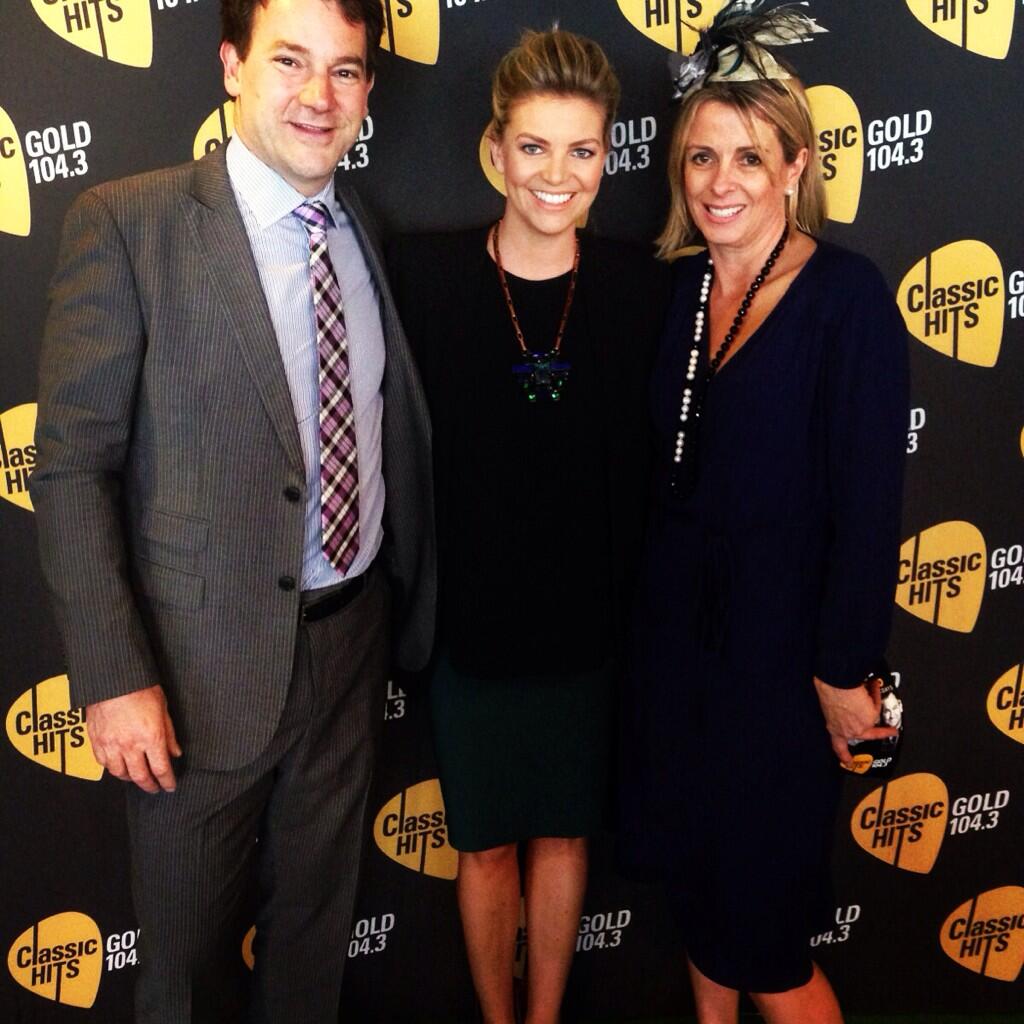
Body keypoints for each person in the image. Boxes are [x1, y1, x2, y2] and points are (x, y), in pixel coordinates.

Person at [30, 0, 434, 1020]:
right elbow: (72, 465)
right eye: (290, 61)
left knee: (312, 948)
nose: (318, 95)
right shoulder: (130, 224)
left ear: (367, 89)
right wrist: (114, 675)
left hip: (349, 650)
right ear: (229, 65)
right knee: (182, 975)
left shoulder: (366, 229)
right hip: (192, 677)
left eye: (345, 70)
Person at [618, 4, 907, 1023]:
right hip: (675, 666)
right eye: (701, 157)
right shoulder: (679, 289)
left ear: (794, 166)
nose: (721, 181)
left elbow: (868, 510)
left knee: (768, 944)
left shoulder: (847, 299)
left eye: (749, 157)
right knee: (700, 909)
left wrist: (842, 672)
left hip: (782, 679)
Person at [388, 29, 668, 1024]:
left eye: (582, 150)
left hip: (589, 635)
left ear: (607, 157)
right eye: (535, 146)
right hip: (470, 636)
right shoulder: (424, 279)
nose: (557, 174)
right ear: (496, 150)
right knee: (485, 845)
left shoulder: (641, 285)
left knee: (564, 837)